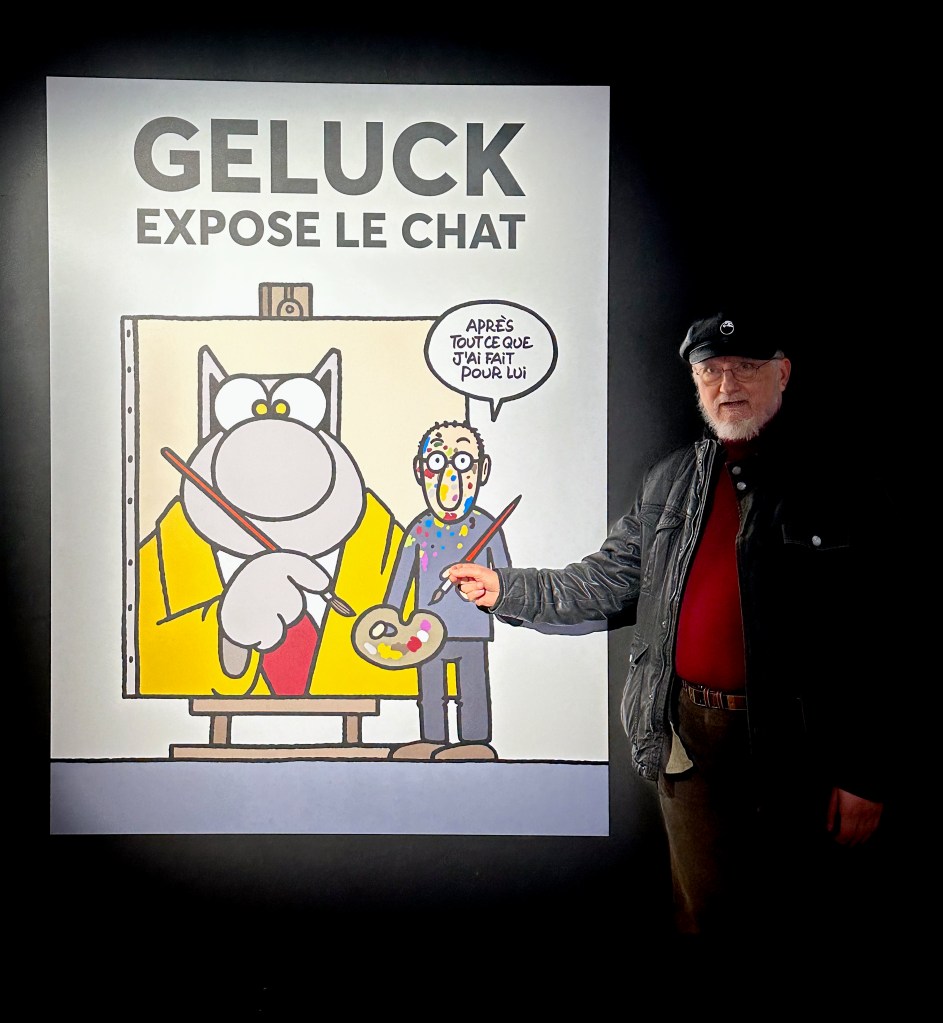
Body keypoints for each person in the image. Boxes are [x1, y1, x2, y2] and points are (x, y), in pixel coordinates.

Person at [446, 310, 884, 941]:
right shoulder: (670, 481)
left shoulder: (839, 481)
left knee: (799, 915)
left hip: (796, 739)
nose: (727, 384)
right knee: (704, 918)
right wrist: (506, 588)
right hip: (687, 736)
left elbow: (879, 637)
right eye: (711, 370)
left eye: (746, 367)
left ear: (783, 373)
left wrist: (863, 772)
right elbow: (606, 579)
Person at [386, 420, 511, 760]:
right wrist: (390, 614)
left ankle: (474, 740)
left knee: (472, 687)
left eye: (463, 463)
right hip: (424, 628)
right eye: (437, 463)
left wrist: (504, 602)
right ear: (420, 470)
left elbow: (506, 579)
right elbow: (401, 577)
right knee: (430, 690)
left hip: (471, 625)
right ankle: (432, 738)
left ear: (482, 470)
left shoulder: (486, 527)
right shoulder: (418, 530)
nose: (449, 478)